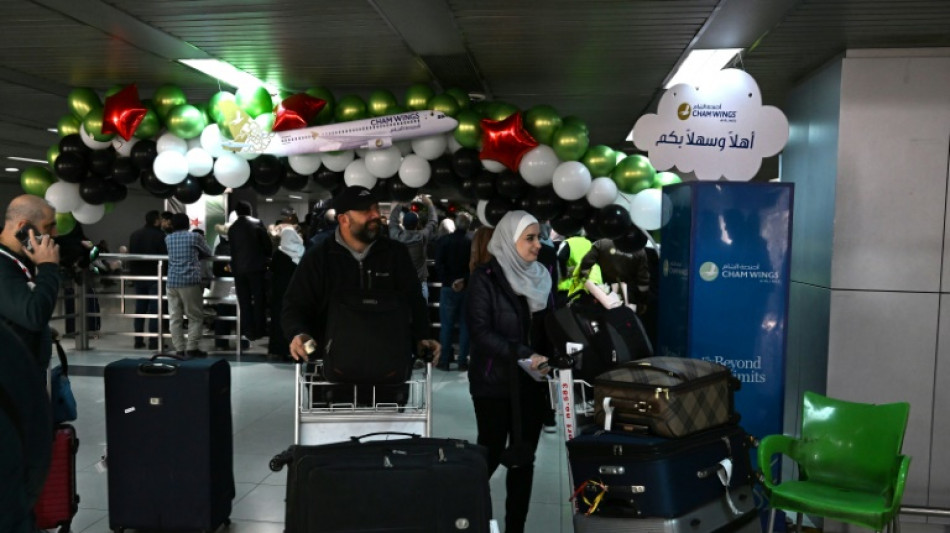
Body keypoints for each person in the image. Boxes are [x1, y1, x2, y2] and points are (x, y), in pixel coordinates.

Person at [465, 210, 554, 533]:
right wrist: (524, 354)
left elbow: (548, 328)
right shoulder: (485, 278)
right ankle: (469, 517)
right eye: (529, 238)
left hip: (531, 384)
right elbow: (481, 332)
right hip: (493, 383)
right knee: (489, 453)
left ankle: (516, 527)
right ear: (509, 239)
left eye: (538, 237)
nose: (537, 245)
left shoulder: (542, 276)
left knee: (524, 459)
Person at [282, 186, 440, 363]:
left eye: (376, 208)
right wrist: (299, 333)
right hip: (331, 364)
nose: (376, 215)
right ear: (344, 219)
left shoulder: (396, 254)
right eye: (366, 210)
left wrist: (422, 337)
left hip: (389, 363)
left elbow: (415, 302)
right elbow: (295, 304)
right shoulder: (318, 257)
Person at [0, 194, 61, 371]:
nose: (54, 233)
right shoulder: (2, 265)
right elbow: (34, 316)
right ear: (24, 226)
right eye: (49, 226)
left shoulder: (18, 259)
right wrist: (48, 267)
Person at [165, 213, 212, 357]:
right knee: (195, 316)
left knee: (175, 317)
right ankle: (192, 348)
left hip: (172, 282)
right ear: (188, 224)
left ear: (173, 225)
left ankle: (179, 349)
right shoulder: (195, 237)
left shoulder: (168, 238)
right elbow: (208, 252)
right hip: (189, 281)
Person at [227, 201, 272, 340]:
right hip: (256, 268)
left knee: (244, 301)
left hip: (238, 269)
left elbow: (232, 249)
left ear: (236, 213)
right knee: (259, 299)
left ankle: (248, 331)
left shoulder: (232, 228)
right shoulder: (257, 223)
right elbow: (267, 245)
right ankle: (260, 329)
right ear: (250, 211)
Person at [434, 212, 472, 371]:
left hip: (448, 288)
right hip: (466, 289)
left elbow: (438, 265)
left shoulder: (444, 241)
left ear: (456, 224)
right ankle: (462, 361)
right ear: (468, 225)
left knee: (447, 326)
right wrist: (464, 280)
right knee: (465, 326)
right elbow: (473, 266)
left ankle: (444, 361)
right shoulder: (471, 242)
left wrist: (450, 281)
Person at [128, 210, 167, 349]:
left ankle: (138, 340)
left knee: (140, 308)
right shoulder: (160, 236)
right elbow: (165, 256)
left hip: (138, 276)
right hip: (155, 276)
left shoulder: (135, 235)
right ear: (156, 221)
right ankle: (153, 341)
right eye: (161, 219)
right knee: (155, 310)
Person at [388, 196, 437, 300]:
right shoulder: (422, 236)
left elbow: (392, 221)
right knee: (421, 309)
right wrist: (429, 204)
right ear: (417, 224)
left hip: (401, 283)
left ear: (403, 224)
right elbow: (433, 222)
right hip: (420, 283)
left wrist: (401, 203)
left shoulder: (397, 237)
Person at [267, 226, 303, 360]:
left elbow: (272, 271)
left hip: (279, 293)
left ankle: (277, 350)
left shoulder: (279, 253)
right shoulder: (301, 252)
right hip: (295, 293)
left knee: (278, 321)